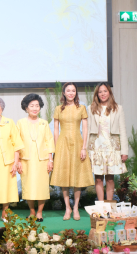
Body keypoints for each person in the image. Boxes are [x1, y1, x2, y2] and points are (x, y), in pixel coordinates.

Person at [50, 82, 94, 221]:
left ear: (76, 93)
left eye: (73, 90)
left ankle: (76, 208)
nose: (70, 93)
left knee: (77, 176)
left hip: (77, 143)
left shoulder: (81, 108)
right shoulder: (58, 108)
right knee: (64, 176)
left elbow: (85, 129)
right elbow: (56, 130)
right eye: (68, 90)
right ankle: (67, 208)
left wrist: (84, 147)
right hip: (62, 143)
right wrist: (56, 148)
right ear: (64, 93)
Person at [16, 94, 55, 222]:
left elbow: (49, 141)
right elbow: (17, 142)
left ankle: (39, 212)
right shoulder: (20, 123)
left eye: (37, 105)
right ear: (26, 108)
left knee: (41, 186)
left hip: (42, 159)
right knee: (28, 186)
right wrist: (18, 161)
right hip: (26, 160)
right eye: (31, 105)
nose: (34, 108)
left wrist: (50, 160)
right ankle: (32, 211)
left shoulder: (44, 123)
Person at [87, 83, 128, 201]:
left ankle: (109, 205)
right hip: (96, 147)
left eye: (105, 91)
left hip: (112, 148)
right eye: (100, 92)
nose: (103, 94)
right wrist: (85, 149)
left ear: (109, 92)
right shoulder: (91, 108)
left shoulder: (118, 108)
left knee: (110, 178)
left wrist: (124, 151)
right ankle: (101, 205)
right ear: (97, 94)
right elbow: (88, 130)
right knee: (98, 178)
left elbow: (123, 130)